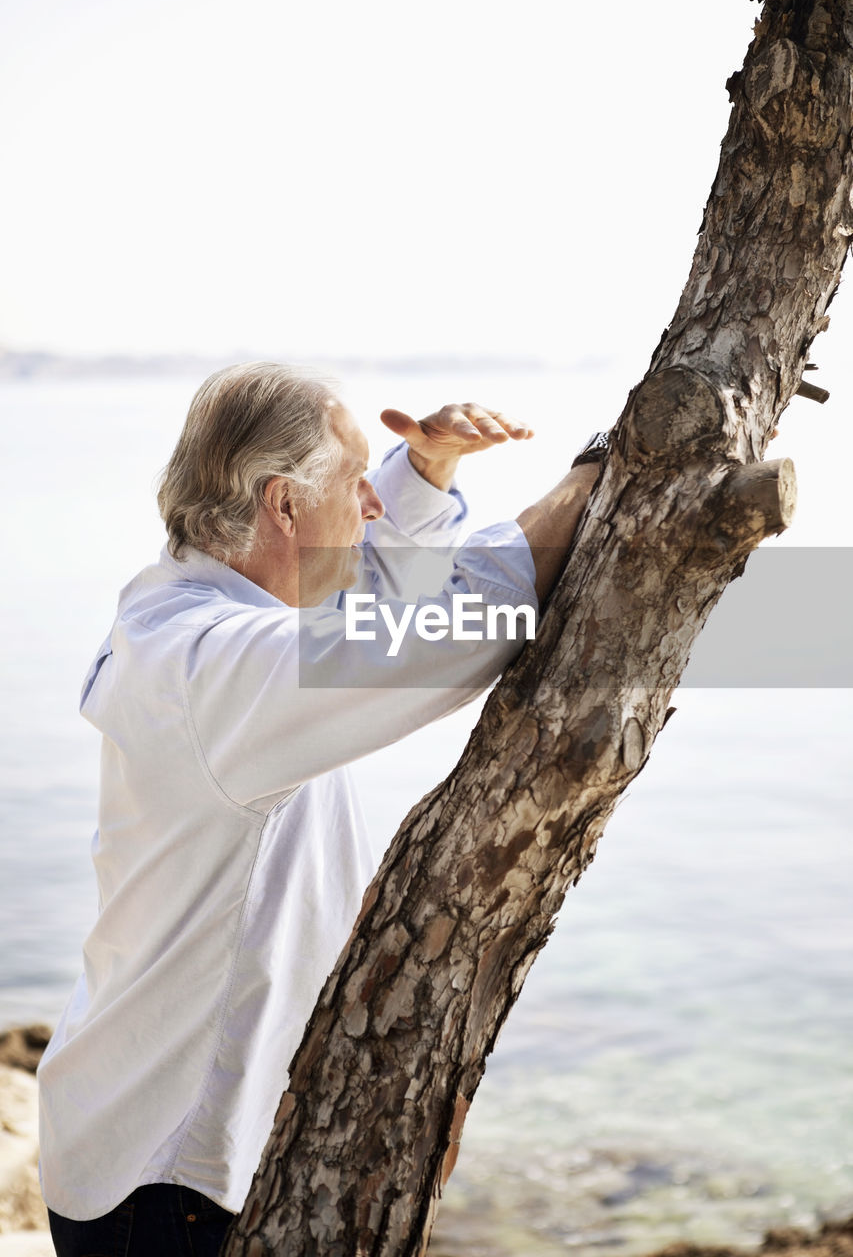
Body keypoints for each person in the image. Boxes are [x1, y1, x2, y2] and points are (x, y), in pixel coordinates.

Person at [38, 363, 601, 1257]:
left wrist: (422, 473)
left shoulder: (187, 609)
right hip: (161, 1182)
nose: (369, 507)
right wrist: (598, 473)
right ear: (282, 506)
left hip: (124, 1137)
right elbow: (453, 629)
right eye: (356, 485)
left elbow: (359, 589)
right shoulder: (218, 666)